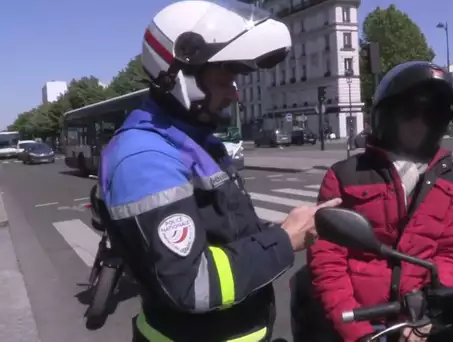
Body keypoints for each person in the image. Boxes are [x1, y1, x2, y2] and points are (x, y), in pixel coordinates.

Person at [96, 1, 341, 341]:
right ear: (182, 77)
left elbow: (227, 233)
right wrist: (285, 239)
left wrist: (288, 226)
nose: (235, 93)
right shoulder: (145, 157)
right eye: (225, 78)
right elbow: (190, 284)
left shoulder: (194, 142)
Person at [307, 62, 453, 342]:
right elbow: (328, 262)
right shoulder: (346, 175)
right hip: (360, 323)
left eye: (431, 115)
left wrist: (427, 312)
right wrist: (355, 332)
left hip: (417, 322)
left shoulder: (448, 180)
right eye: (410, 112)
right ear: (388, 114)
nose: (419, 123)